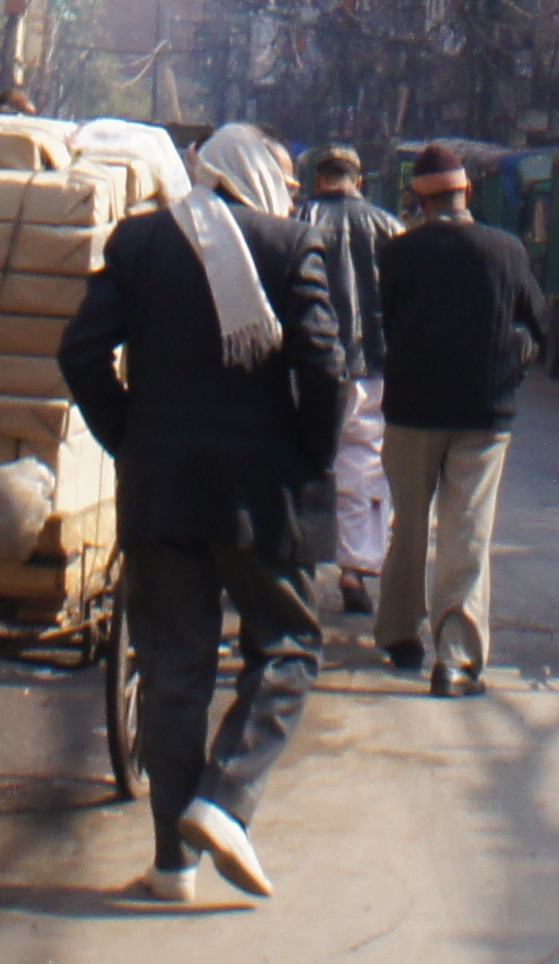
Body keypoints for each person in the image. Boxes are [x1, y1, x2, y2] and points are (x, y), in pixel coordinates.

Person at [60, 122, 345, 910]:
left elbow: (80, 353)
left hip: (161, 490)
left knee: (174, 671)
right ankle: (225, 798)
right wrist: (310, 455)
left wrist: (128, 436)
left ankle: (172, 866)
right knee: (289, 647)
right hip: (261, 495)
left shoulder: (140, 242)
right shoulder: (290, 246)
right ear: (260, 178)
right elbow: (325, 368)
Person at [371, 144, 545, 695]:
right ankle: (455, 661)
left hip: (412, 411)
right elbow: (537, 322)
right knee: (468, 531)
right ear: (466, 191)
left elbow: (386, 325)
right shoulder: (507, 249)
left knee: (409, 525)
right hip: (484, 411)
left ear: (418, 200)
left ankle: (400, 635)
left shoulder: (399, 252)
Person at [296, 144, 401, 615]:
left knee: (306, 460)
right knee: (363, 463)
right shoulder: (390, 227)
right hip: (376, 364)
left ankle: (295, 564)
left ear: (319, 177)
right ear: (358, 180)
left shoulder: (300, 220)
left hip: (311, 363)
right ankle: (354, 571)